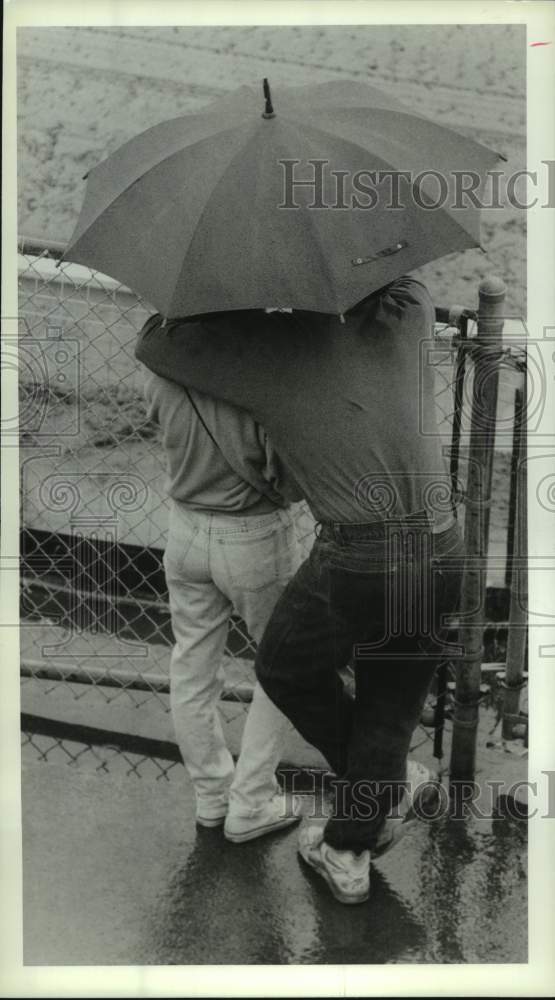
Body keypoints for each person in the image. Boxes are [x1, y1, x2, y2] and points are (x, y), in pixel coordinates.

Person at [136, 277, 464, 903]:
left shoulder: (278, 355)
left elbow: (158, 344)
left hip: (360, 554)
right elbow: (408, 282)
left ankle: (379, 788)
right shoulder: (411, 314)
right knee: (391, 708)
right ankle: (347, 845)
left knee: (284, 668)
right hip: (444, 547)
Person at [143, 369, 304, 841]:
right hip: (253, 535)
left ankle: (212, 796)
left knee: (192, 665)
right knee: (281, 665)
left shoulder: (163, 367)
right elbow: (288, 481)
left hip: (185, 528)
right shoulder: (259, 381)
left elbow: (155, 418)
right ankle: (252, 802)